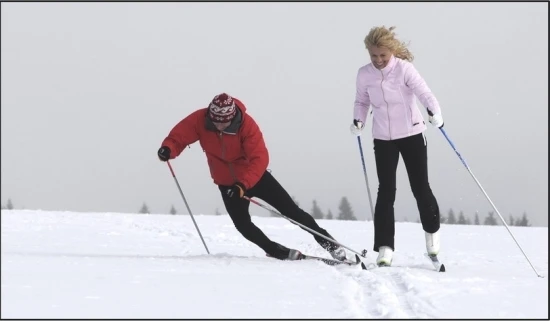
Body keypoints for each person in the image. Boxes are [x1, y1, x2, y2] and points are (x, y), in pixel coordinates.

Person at [158, 93, 347, 261]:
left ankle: (329, 243)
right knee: (243, 225)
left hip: (255, 177)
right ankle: (275, 250)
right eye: (216, 121)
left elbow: (260, 158)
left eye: (224, 122)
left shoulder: (246, 125)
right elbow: (179, 137)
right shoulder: (201, 119)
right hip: (227, 184)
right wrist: (168, 148)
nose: (220, 126)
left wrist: (243, 184)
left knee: (292, 212)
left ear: (232, 117)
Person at [350, 26, 444, 266]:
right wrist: (359, 120)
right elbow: (362, 101)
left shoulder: (404, 69)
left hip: (412, 133)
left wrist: (435, 112)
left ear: (391, 51)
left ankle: (432, 234)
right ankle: (385, 246)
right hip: (383, 138)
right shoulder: (364, 74)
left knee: (420, 187)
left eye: (383, 55)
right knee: (386, 191)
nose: (379, 60)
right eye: (374, 56)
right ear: (368, 53)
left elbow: (424, 93)